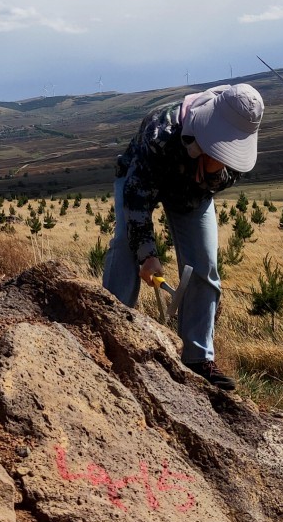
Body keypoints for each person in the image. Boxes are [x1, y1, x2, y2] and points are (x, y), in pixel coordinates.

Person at [101, 82, 265, 391]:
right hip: (140, 178)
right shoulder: (160, 132)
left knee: (205, 266)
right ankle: (108, 329)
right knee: (126, 245)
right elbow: (137, 199)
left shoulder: (240, 141)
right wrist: (147, 255)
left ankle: (197, 358)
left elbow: (220, 183)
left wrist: (214, 169)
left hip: (191, 195)